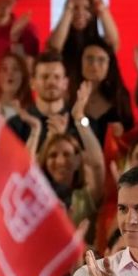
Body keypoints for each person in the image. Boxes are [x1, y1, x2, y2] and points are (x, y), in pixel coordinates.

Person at [38, 82, 106, 231]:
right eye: (53, 155)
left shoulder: (84, 198)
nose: (60, 161)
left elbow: (97, 164)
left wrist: (79, 119)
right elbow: (29, 168)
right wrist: (48, 137)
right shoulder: (39, 196)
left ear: (78, 160)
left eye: (67, 154)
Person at [47, 0, 120, 79]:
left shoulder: (98, 42)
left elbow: (114, 41)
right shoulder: (61, 40)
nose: (80, 13)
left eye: (87, 8)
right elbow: (54, 48)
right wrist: (69, 7)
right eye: (75, 8)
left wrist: (98, 1)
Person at [68, 39, 135, 146]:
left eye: (101, 60)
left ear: (109, 65)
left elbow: (131, 134)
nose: (94, 64)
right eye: (89, 58)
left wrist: (121, 135)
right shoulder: (67, 93)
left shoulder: (119, 96)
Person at [7, 51, 79, 147]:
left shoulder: (79, 121)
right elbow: (15, 161)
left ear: (65, 83)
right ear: (32, 83)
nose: (51, 82)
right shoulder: (16, 124)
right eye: (45, 77)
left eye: (57, 77)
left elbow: (96, 160)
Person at [0, 51, 33, 120]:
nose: (9, 74)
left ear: (23, 76)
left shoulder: (30, 114)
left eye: (15, 69)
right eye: (4, 69)